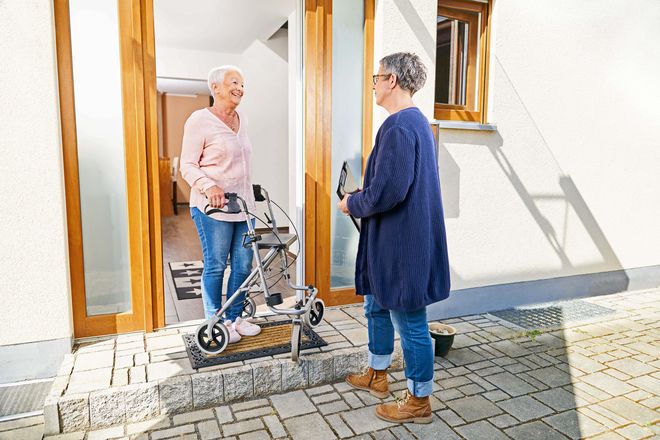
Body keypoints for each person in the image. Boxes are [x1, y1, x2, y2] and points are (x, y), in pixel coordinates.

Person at [338, 52, 450, 423]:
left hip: (403, 247)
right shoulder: (409, 123)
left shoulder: (401, 126)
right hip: (391, 242)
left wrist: (352, 202)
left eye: (377, 77)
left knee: (410, 322)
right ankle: (378, 373)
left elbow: (389, 191)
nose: (373, 83)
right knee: (376, 305)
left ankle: (419, 401)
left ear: (392, 81)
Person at [180, 65, 262, 344]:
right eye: (234, 82)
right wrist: (209, 185)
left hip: (244, 207)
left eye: (242, 83)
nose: (240, 88)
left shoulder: (243, 119)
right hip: (213, 208)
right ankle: (215, 320)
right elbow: (187, 165)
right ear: (215, 87)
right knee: (216, 265)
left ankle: (234, 318)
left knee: (242, 265)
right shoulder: (199, 120)